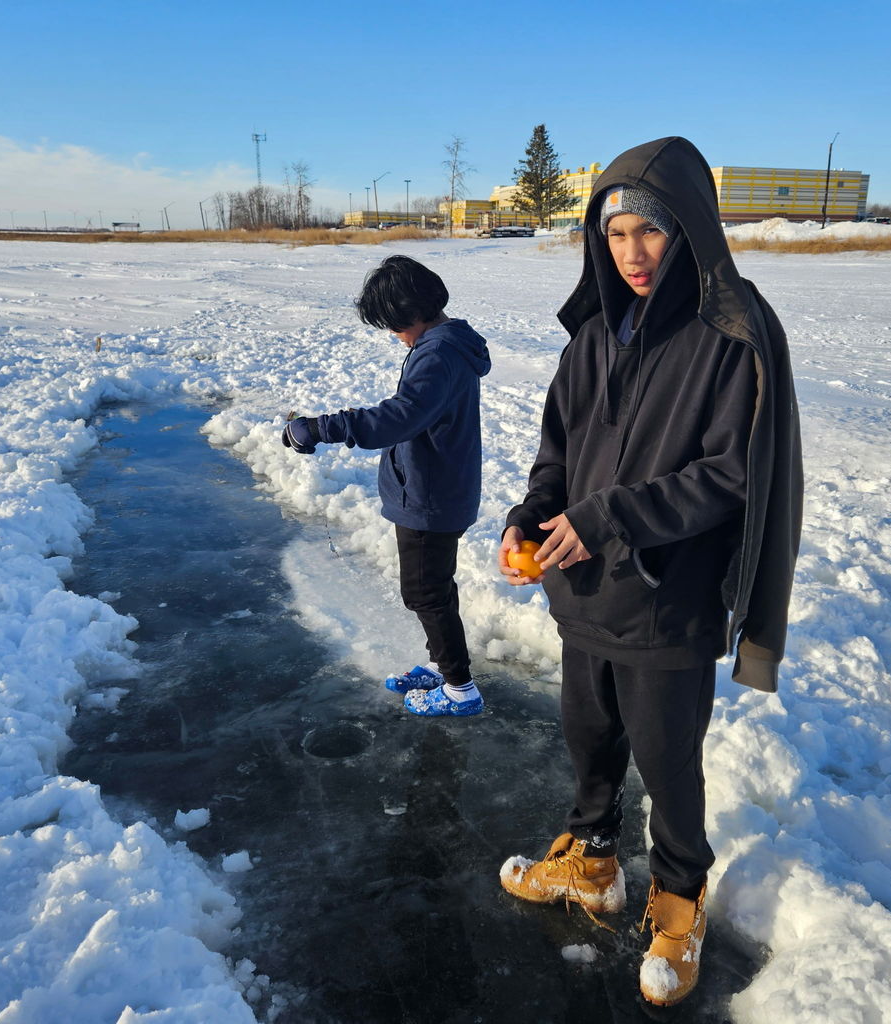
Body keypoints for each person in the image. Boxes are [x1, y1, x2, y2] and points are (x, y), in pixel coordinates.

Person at [496, 137, 803, 1006]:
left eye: (650, 234)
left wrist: (608, 518)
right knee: (588, 737)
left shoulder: (731, 333)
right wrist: (532, 514)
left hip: (668, 598)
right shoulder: (591, 333)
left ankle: (678, 894)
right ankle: (592, 862)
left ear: (691, 231)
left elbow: (732, 473)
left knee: (669, 761)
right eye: (614, 233)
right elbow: (558, 451)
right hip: (585, 592)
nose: (630, 253)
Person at [283, 254, 492, 717]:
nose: (395, 335)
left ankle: (460, 689)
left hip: (430, 497)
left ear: (413, 311)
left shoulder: (437, 354)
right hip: (437, 489)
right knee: (434, 587)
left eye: (394, 324)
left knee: (424, 593)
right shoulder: (446, 344)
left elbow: (398, 418)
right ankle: (444, 664)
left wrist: (319, 428)